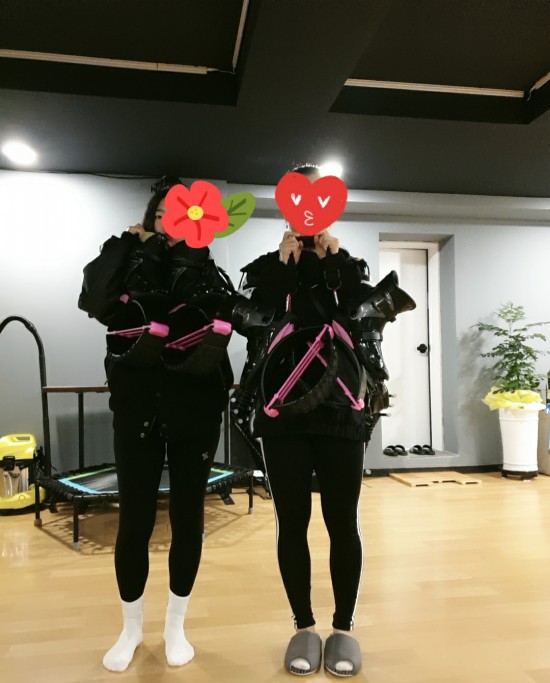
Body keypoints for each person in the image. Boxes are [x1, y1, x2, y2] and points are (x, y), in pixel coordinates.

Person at [78, 177, 234, 672]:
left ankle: (175, 628)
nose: (174, 220)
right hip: (138, 408)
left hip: (196, 411)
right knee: (135, 521)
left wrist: (192, 257)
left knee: (188, 519)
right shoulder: (128, 258)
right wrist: (127, 245)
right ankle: (130, 630)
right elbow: (95, 301)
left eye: (185, 211)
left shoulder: (207, 268)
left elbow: (224, 311)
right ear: (151, 218)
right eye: (165, 211)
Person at [238, 164, 378, 677]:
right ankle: (303, 625)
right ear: (287, 207)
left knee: (343, 521)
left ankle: (344, 629)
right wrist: (282, 265)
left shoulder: (349, 266)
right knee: (291, 522)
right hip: (282, 413)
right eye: (300, 203)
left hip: (341, 410)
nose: (309, 214)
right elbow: (253, 320)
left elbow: (364, 320)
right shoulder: (266, 268)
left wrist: (335, 261)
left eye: (320, 203)